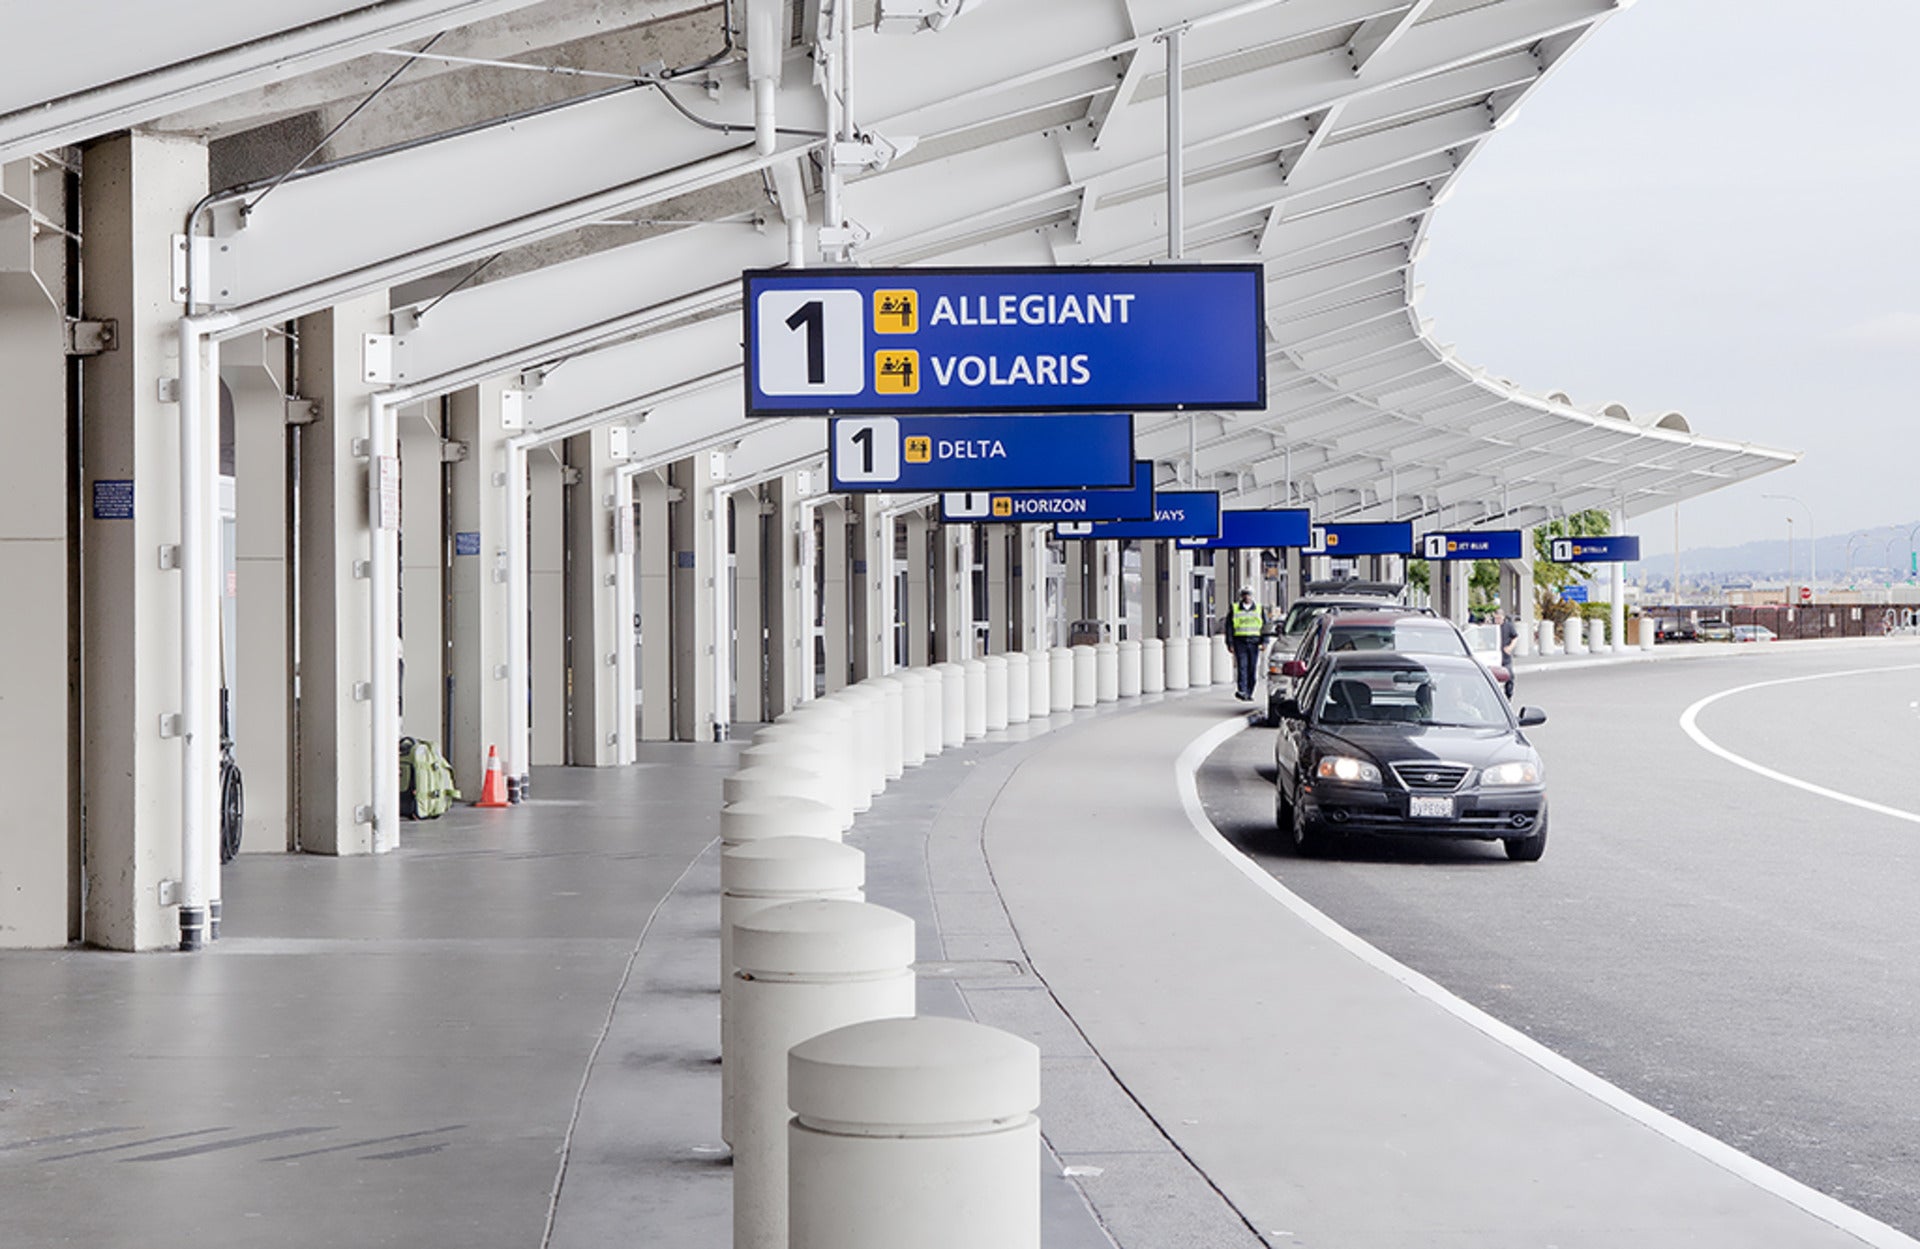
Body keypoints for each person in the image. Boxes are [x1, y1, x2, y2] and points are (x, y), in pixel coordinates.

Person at [1223, 587, 1267, 701]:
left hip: (1254, 642)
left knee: (1252, 668)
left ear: (1252, 596)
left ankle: (1249, 692)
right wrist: (1230, 643)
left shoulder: (1259, 608)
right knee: (1242, 667)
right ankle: (1242, 691)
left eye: (1249, 594)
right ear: (1241, 596)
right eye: (1245, 595)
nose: (1247, 597)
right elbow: (1229, 627)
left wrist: (1265, 641)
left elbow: (1265, 626)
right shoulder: (1235, 608)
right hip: (1240, 641)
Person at [1496, 608, 1517, 699]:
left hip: (1505, 657)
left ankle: (1509, 695)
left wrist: (1510, 647)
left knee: (1509, 675)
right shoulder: (1493, 627)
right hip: (1495, 656)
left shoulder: (1508, 626)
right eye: (1496, 618)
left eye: (1499, 618)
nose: (1497, 621)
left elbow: (1515, 637)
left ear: (1503, 617)